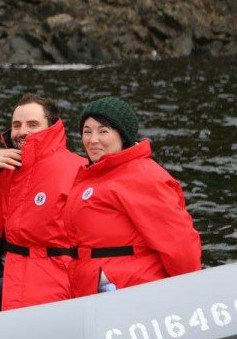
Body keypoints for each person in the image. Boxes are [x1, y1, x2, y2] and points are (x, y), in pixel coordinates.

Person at [0, 95, 85, 311]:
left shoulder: (77, 169)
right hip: (5, 270)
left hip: (51, 279)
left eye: (32, 124)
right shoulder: (0, 167)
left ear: (52, 127)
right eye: (17, 125)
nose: (22, 131)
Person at [63, 96, 202, 297]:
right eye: (87, 132)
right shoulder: (95, 174)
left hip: (130, 292)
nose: (92, 139)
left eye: (103, 131)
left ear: (123, 136)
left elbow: (179, 244)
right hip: (99, 289)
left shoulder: (141, 176)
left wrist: (188, 294)